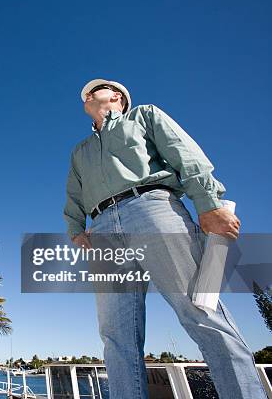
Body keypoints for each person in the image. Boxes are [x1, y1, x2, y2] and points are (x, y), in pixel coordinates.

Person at [63, 78, 267, 398]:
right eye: (83, 95)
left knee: (199, 310)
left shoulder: (143, 116)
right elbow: (73, 194)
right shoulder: (80, 151)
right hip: (101, 227)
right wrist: (75, 230)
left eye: (93, 90)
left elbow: (186, 155)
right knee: (115, 334)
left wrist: (209, 203)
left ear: (116, 96)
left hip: (152, 208)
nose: (85, 95)